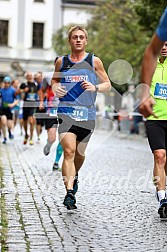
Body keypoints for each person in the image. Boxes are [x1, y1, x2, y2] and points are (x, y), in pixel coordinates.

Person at [52, 25, 111, 210]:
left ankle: (74, 175)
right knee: (68, 151)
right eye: (74, 37)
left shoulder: (94, 61)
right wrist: (55, 88)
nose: (78, 40)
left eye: (81, 37)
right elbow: (54, 80)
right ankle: (69, 192)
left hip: (87, 113)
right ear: (70, 40)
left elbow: (107, 84)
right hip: (66, 112)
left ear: (86, 41)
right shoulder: (61, 62)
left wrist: (96, 88)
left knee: (79, 153)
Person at [139, 7, 167, 219]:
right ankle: (162, 197)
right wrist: (144, 95)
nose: (165, 47)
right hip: (155, 118)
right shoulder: (151, 65)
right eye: (163, 43)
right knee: (160, 156)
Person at [38, 59, 63, 171]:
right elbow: (41, 90)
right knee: (52, 138)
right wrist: (41, 101)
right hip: (51, 110)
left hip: (65, 111)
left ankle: (56, 162)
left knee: (63, 138)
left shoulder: (70, 77)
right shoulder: (48, 76)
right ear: (55, 64)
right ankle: (48, 145)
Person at [20, 72, 39, 145]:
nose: (30, 77)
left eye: (31, 76)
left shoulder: (36, 84)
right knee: (25, 121)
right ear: (26, 77)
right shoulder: (24, 84)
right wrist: (23, 91)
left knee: (31, 121)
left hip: (33, 105)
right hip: (25, 105)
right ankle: (26, 134)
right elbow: (18, 92)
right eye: (28, 76)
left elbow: (39, 92)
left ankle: (31, 137)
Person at [0, 76, 19, 143]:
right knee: (3, 121)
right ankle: (5, 137)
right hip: (2, 109)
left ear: (10, 83)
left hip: (10, 109)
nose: (6, 84)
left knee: (9, 125)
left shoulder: (13, 90)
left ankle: (9, 132)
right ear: (3, 83)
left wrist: (12, 105)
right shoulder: (1, 90)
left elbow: (17, 100)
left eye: (8, 83)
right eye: (5, 82)